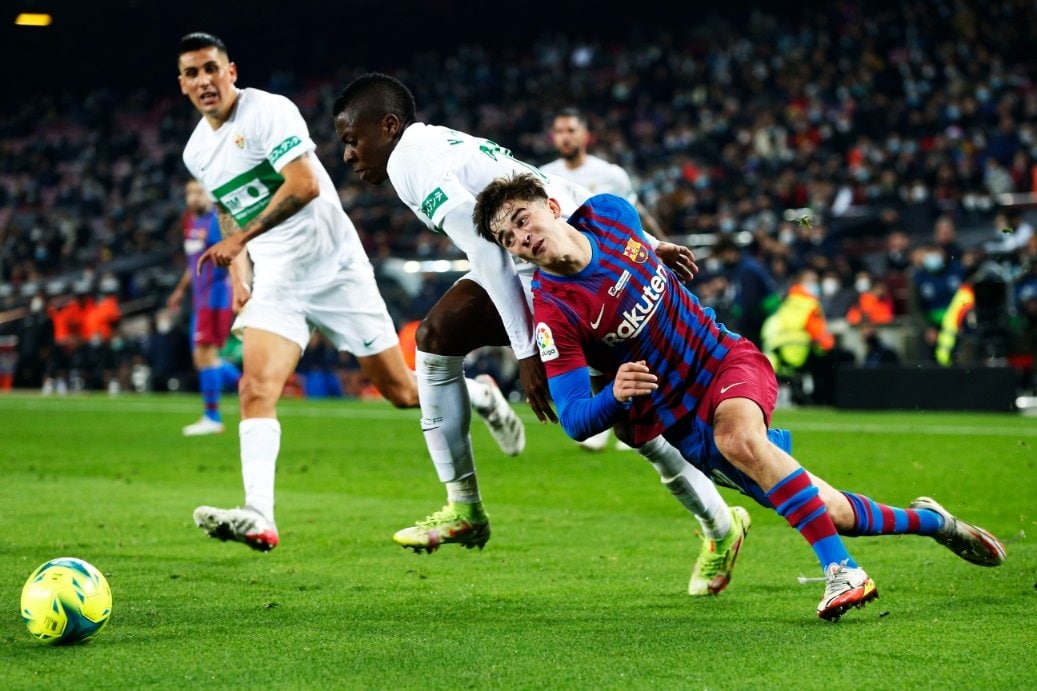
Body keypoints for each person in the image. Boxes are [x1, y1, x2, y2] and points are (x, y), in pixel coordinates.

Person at [473, 173, 1006, 621]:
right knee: (835, 513)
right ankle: (936, 522)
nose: (521, 237)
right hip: (685, 425)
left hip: (724, 359)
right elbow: (572, 418)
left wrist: (657, 249)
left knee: (739, 438)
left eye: (522, 219)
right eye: (507, 238)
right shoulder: (554, 313)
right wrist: (613, 394)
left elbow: (635, 249)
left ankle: (843, 572)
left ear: (551, 206)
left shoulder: (612, 213)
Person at [333, 74, 750, 598]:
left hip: (567, 272)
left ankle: (721, 522)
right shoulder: (435, 142)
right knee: (437, 336)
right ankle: (464, 506)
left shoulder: (410, 161)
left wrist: (529, 349)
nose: (348, 154)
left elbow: (487, 250)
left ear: (388, 126)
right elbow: (542, 190)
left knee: (633, 424)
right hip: (555, 258)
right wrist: (643, 241)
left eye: (352, 139)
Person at [177, 33, 520, 553]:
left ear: (231, 71)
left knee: (402, 392)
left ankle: (481, 394)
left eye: (211, 68)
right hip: (278, 280)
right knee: (255, 388)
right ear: (182, 84)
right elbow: (229, 206)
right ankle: (259, 515)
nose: (204, 80)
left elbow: (305, 184)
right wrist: (239, 271)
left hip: (336, 269)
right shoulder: (197, 151)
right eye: (192, 73)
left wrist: (240, 240)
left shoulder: (268, 112)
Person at [541, 107, 667, 452]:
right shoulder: (543, 175)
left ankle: (640, 413)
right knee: (589, 344)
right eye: (559, 131)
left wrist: (660, 246)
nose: (565, 137)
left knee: (633, 337)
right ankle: (605, 416)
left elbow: (634, 219)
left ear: (585, 135)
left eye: (570, 130)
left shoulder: (611, 175)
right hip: (573, 279)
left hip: (614, 267)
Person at [166, 178, 241, 435]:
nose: (194, 197)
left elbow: (232, 256)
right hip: (199, 299)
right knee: (204, 358)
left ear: (209, 194)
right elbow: (195, 262)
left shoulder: (215, 222)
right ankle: (248, 385)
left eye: (199, 192)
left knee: (205, 356)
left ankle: (212, 416)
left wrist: (238, 288)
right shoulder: (190, 221)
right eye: (190, 193)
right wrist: (180, 290)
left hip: (215, 297)